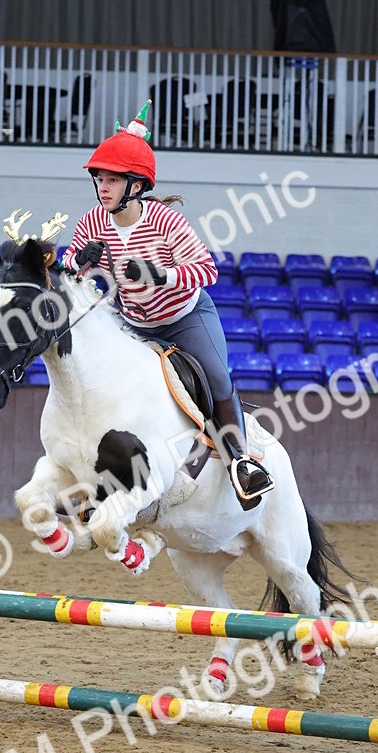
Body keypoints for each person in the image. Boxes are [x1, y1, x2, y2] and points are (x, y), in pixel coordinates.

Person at [60, 101, 274, 505]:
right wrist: (78, 261)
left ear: (136, 186)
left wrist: (161, 275)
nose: (102, 187)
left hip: (184, 318)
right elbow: (71, 264)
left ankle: (242, 463)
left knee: (215, 375)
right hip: (132, 324)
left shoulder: (165, 222)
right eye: (99, 179)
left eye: (112, 180)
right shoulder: (91, 222)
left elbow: (207, 270)